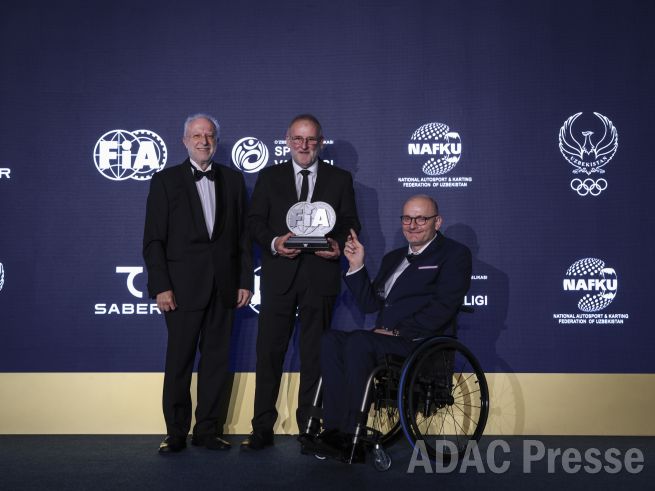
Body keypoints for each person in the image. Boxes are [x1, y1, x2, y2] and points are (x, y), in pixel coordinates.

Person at [304, 194, 472, 462]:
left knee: (359, 341)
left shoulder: (454, 254)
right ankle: (333, 430)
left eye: (421, 219)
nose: (412, 225)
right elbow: (370, 303)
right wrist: (357, 265)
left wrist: (398, 332)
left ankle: (352, 433)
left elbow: (444, 307)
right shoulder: (393, 258)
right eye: (407, 218)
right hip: (385, 340)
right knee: (331, 339)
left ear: (437, 222)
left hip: (421, 343)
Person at [242, 114, 361, 450]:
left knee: (314, 356)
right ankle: (261, 428)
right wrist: (274, 242)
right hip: (279, 276)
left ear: (320, 142)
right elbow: (254, 223)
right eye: (298, 139)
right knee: (269, 354)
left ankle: (310, 427)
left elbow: (350, 222)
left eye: (310, 139)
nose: (304, 145)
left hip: (320, 278)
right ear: (287, 141)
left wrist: (337, 244)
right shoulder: (269, 177)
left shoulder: (340, 179)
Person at [143, 114, 252, 454]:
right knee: (179, 361)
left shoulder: (234, 181)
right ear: (184, 141)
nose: (204, 141)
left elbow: (243, 238)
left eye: (209, 136)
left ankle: (208, 430)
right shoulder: (165, 181)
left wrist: (244, 280)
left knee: (217, 362)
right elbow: (153, 240)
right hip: (180, 288)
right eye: (197, 135)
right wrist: (161, 285)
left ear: (216, 141)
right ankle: (175, 433)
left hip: (224, 286)